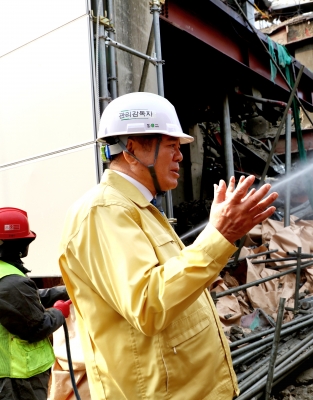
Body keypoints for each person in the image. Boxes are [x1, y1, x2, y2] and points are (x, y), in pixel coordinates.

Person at [58, 92, 278, 399]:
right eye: (172, 146)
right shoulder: (104, 211)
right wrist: (219, 237)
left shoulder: (139, 209)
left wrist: (215, 230)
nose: (180, 156)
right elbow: (148, 305)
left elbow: (171, 280)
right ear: (132, 148)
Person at [0, 207, 71, 400]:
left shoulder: (5, 273)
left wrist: (67, 291)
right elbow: (37, 326)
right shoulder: (10, 282)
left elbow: (26, 298)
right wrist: (58, 312)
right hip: (18, 379)